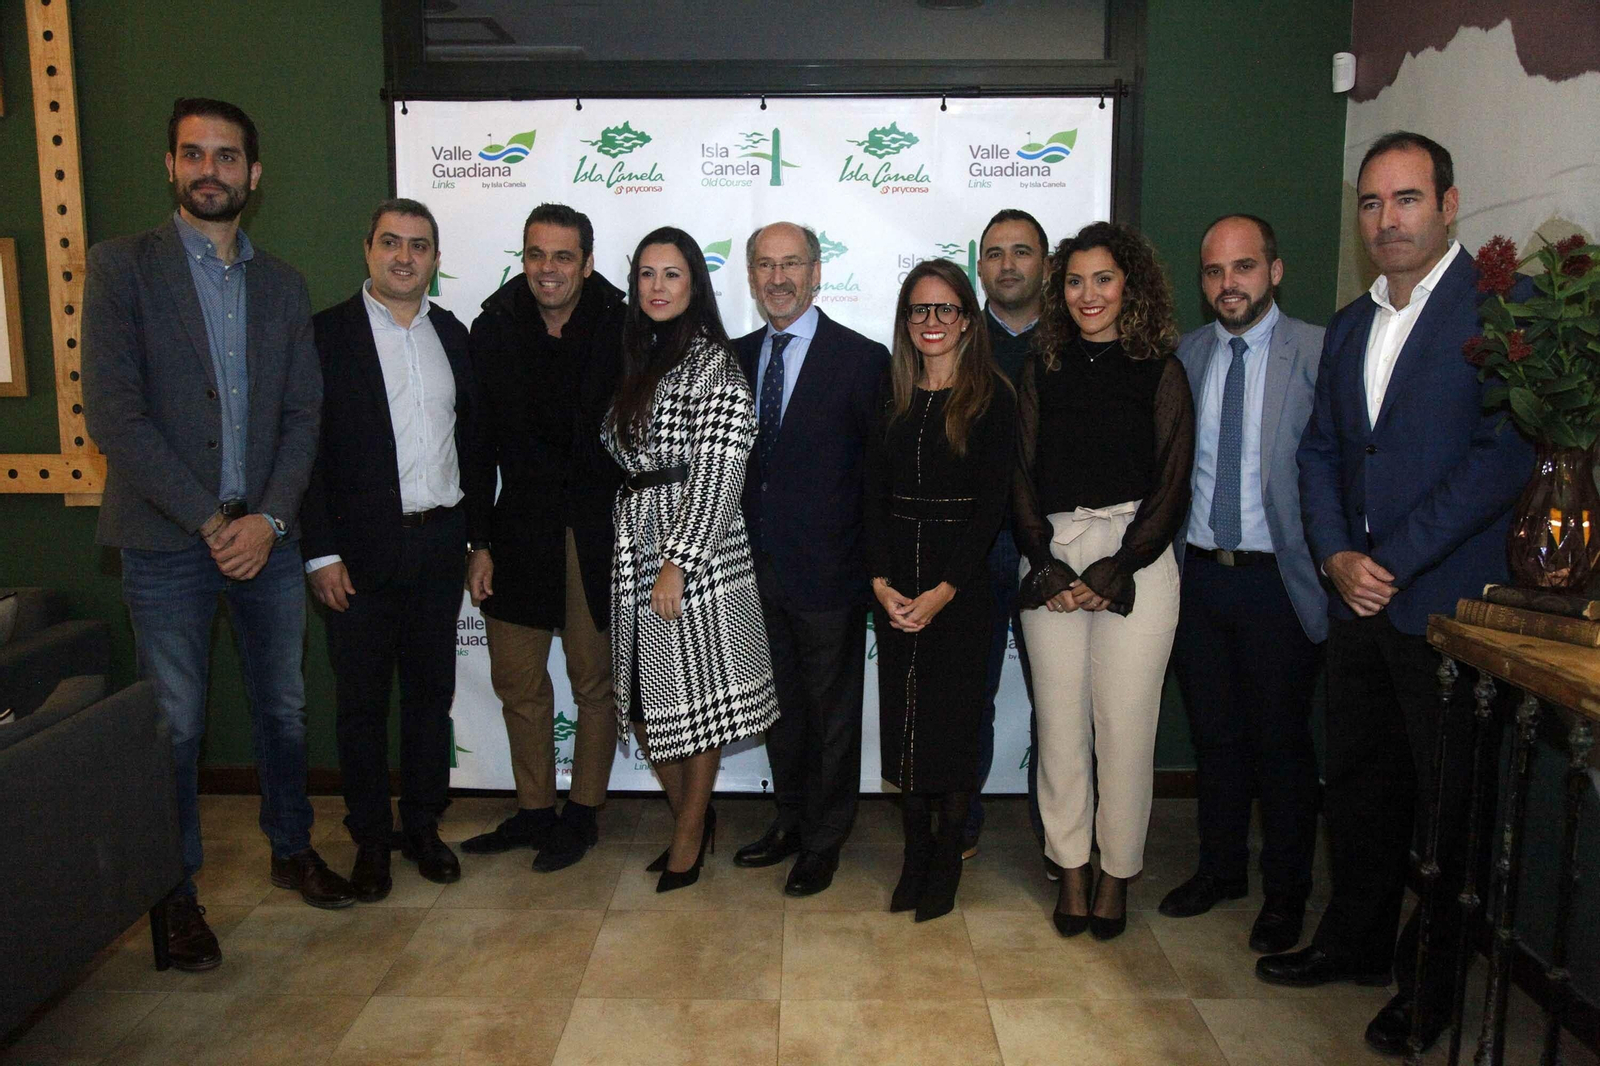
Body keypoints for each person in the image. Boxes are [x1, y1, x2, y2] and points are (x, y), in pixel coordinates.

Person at [1266, 131, 1533, 1056]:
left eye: (1406, 199)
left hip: (1447, 611)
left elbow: (1503, 458)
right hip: (1358, 604)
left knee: (1450, 812)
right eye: (1373, 204)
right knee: (1363, 790)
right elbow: (1321, 455)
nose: (1387, 219)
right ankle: (1352, 942)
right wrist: (1339, 556)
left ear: (1448, 205)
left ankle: (1430, 985)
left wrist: (1393, 559)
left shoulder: (1504, 311)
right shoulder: (1348, 326)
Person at [81, 97, 350, 970]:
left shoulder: (282, 285)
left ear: (253, 175)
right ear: (170, 166)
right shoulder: (123, 268)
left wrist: (267, 521)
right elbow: (114, 416)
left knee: (284, 708)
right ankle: (175, 895)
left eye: (228, 157)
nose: (211, 170)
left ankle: (290, 846)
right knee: (178, 725)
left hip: (266, 540)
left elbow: (305, 415)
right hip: (168, 544)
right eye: (194, 154)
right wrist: (211, 521)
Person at [1014, 221, 1194, 941]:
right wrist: (1047, 561)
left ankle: (1118, 870)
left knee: (1124, 728)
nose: (1089, 295)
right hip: (1051, 556)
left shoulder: (1162, 369)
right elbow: (1018, 473)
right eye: (1076, 280)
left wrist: (1119, 566)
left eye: (1104, 279)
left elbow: (1174, 482)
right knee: (1059, 727)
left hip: (1138, 555)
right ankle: (1071, 866)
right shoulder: (1042, 365)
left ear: (1132, 285)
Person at [299, 198, 485, 896]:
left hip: (439, 546)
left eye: (418, 245)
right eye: (391, 243)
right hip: (356, 556)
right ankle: (371, 837)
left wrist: (476, 540)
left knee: (431, 697)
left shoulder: (454, 336)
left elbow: (472, 443)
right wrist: (319, 553)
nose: (404, 256)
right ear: (368, 250)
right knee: (361, 706)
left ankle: (423, 827)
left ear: (435, 258)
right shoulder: (324, 336)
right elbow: (305, 456)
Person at [1162, 214, 1326, 954]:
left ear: (1275, 271)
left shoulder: (1320, 353)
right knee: (1216, 740)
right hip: (1198, 578)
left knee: (1282, 745)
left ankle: (1286, 893)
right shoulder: (1184, 356)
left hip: (1278, 585)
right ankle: (1220, 869)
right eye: (1214, 271)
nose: (1228, 284)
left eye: (1244, 268)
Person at [603, 226, 779, 893]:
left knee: (694, 701)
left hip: (694, 546)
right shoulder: (639, 357)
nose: (657, 286)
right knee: (652, 704)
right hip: (635, 540)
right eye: (646, 274)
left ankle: (686, 832)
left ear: (695, 285)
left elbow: (722, 466)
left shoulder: (713, 361)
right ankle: (692, 820)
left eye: (671, 274)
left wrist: (680, 558)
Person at [459, 204, 624, 873]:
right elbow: (474, 444)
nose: (548, 270)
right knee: (518, 682)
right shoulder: (491, 328)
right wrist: (477, 540)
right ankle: (533, 811)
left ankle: (581, 814)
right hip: (515, 531)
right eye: (536, 254)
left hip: (595, 534)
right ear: (522, 258)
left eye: (562, 257)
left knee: (594, 683)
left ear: (586, 262)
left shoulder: (623, 327)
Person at [731, 222, 888, 898]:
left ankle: (825, 841)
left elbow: (878, 479)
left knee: (830, 716)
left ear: (817, 272)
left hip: (831, 574)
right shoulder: (732, 358)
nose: (778, 277)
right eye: (765, 265)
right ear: (751, 275)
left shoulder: (862, 359)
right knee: (780, 712)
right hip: (751, 572)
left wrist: (874, 568)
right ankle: (790, 820)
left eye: (791, 263)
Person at [867, 258, 1018, 923]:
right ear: (907, 322)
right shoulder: (890, 392)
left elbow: (991, 508)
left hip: (962, 588)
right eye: (919, 311)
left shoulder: (994, 397)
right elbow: (869, 495)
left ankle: (946, 862)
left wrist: (946, 589)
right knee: (905, 730)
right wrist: (879, 579)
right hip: (896, 582)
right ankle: (913, 857)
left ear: (967, 320)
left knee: (952, 734)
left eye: (945, 310)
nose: (932, 323)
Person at [970, 208, 1049, 867]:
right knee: (971, 695)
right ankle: (961, 827)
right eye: (994, 253)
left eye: (1021, 251)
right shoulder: (958, 342)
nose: (1008, 264)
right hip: (977, 545)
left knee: (1057, 703)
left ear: (1044, 266)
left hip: (1054, 547)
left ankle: (1058, 835)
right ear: (979, 268)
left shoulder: (1076, 339)